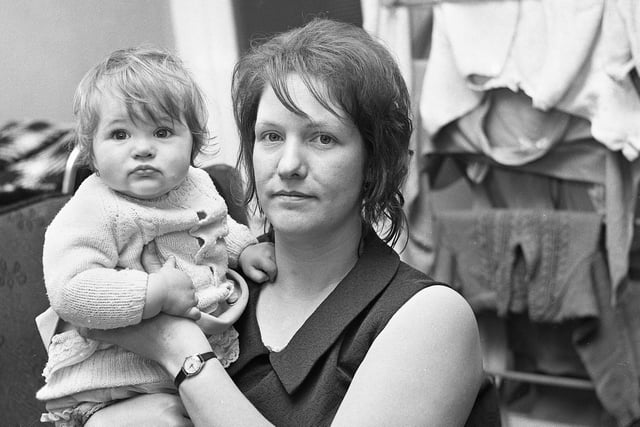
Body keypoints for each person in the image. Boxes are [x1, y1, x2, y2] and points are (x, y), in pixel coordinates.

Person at [82, 18, 499, 426]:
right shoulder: (210, 278)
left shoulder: (430, 319)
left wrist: (183, 355)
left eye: (323, 138)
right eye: (271, 137)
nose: (289, 165)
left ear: (374, 163)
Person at [35, 46, 276, 426]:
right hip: (112, 385)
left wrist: (244, 249)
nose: (143, 148)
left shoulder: (197, 184)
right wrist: (153, 293)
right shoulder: (95, 208)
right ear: (92, 152)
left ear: (193, 143)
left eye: (162, 132)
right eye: (119, 134)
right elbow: (70, 290)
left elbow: (216, 225)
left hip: (187, 368)